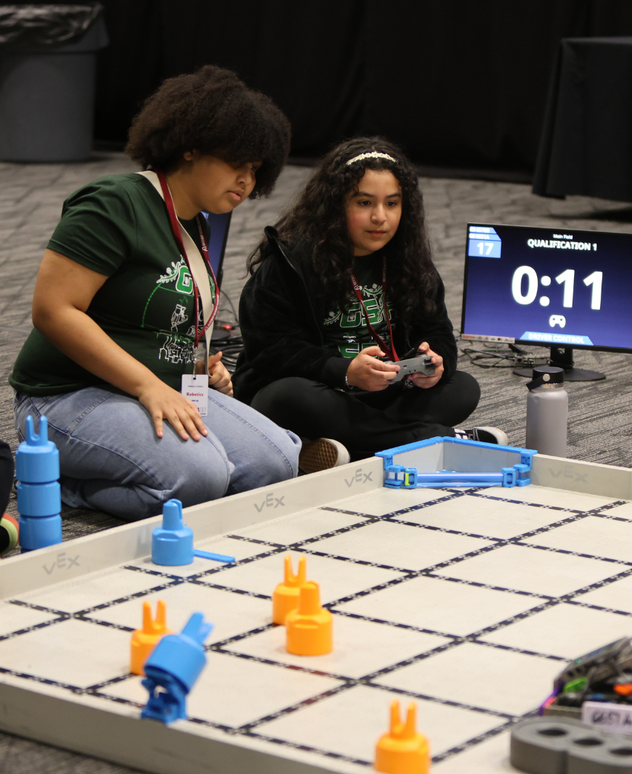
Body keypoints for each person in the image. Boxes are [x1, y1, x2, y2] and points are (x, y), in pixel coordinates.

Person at [9, 65, 301, 521]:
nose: (246, 180)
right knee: (201, 479)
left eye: (255, 170)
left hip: (155, 389)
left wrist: (197, 368)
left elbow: (153, 325)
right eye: (236, 163)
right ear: (190, 146)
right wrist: (147, 385)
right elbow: (53, 311)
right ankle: (57, 482)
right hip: (64, 395)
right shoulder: (114, 202)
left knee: (276, 464)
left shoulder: (198, 226)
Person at [233, 136, 505, 471]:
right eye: (364, 203)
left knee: (463, 388)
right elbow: (271, 350)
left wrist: (434, 362)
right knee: (287, 398)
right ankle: (434, 440)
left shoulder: (409, 259)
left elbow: (437, 331)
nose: (380, 217)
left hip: (385, 390)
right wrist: (344, 371)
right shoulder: (291, 261)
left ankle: (344, 444)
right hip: (322, 389)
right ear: (335, 205)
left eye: (392, 204)